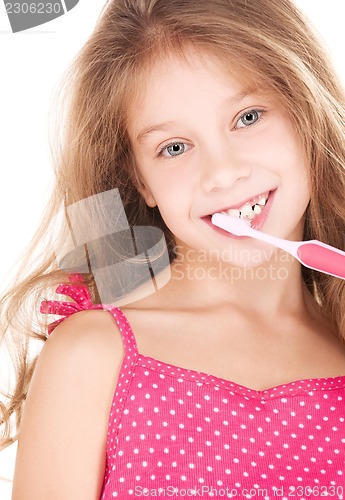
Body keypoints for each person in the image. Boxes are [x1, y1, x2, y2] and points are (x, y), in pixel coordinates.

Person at [1, 0, 345, 498]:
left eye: (248, 117)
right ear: (140, 181)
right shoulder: (95, 356)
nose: (223, 172)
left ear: (306, 112)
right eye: (175, 147)